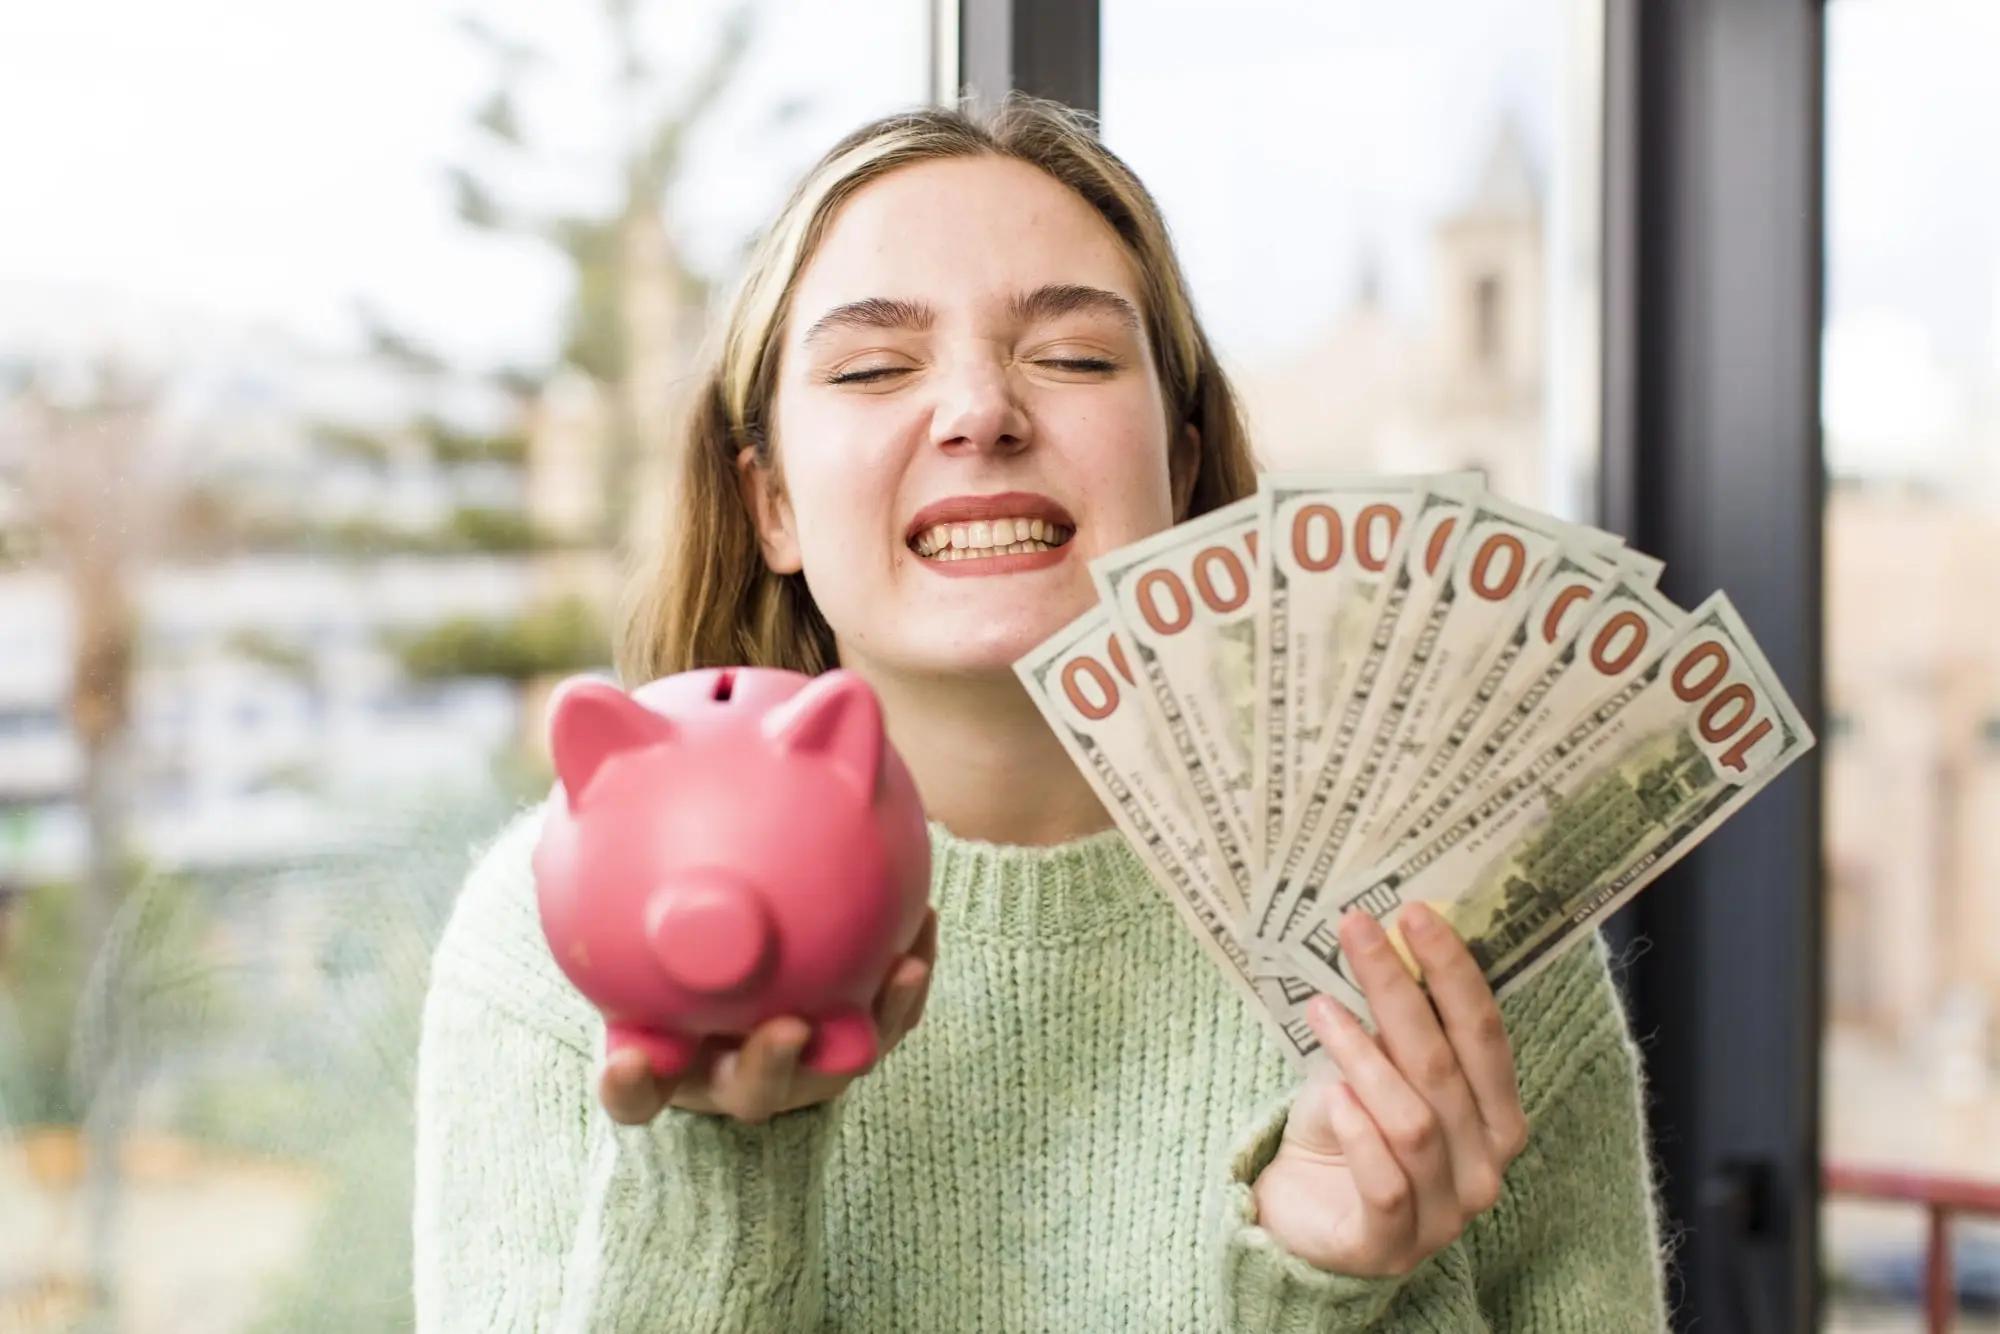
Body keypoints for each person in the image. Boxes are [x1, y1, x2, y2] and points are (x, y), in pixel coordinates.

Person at [412, 94, 1670, 1331]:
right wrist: (717, 1172)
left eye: (1071, 356)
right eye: (872, 367)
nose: (979, 413)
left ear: (1180, 466)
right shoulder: (554, 940)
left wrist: (1323, 1293)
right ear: (770, 503)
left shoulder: (1447, 934)